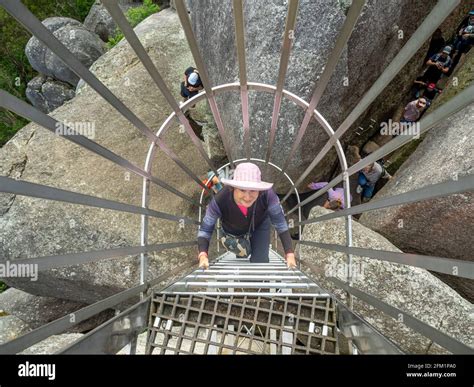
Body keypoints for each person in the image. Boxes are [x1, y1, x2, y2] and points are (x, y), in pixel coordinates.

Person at [197, 163, 296, 269]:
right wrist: (203, 255)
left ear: (260, 190)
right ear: (233, 188)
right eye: (242, 190)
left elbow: (280, 223)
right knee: (242, 257)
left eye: (253, 190)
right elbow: (205, 229)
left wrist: (289, 253)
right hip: (232, 229)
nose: (247, 197)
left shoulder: (268, 195)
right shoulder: (220, 199)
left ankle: (256, 282)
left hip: (259, 224)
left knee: (260, 263)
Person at [179, 66, 205, 141]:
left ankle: (188, 108)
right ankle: (185, 104)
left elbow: (201, 87)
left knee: (193, 103)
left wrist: (194, 88)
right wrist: (186, 82)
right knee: (183, 94)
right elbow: (185, 74)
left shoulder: (200, 78)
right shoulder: (190, 70)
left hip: (194, 90)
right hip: (186, 86)